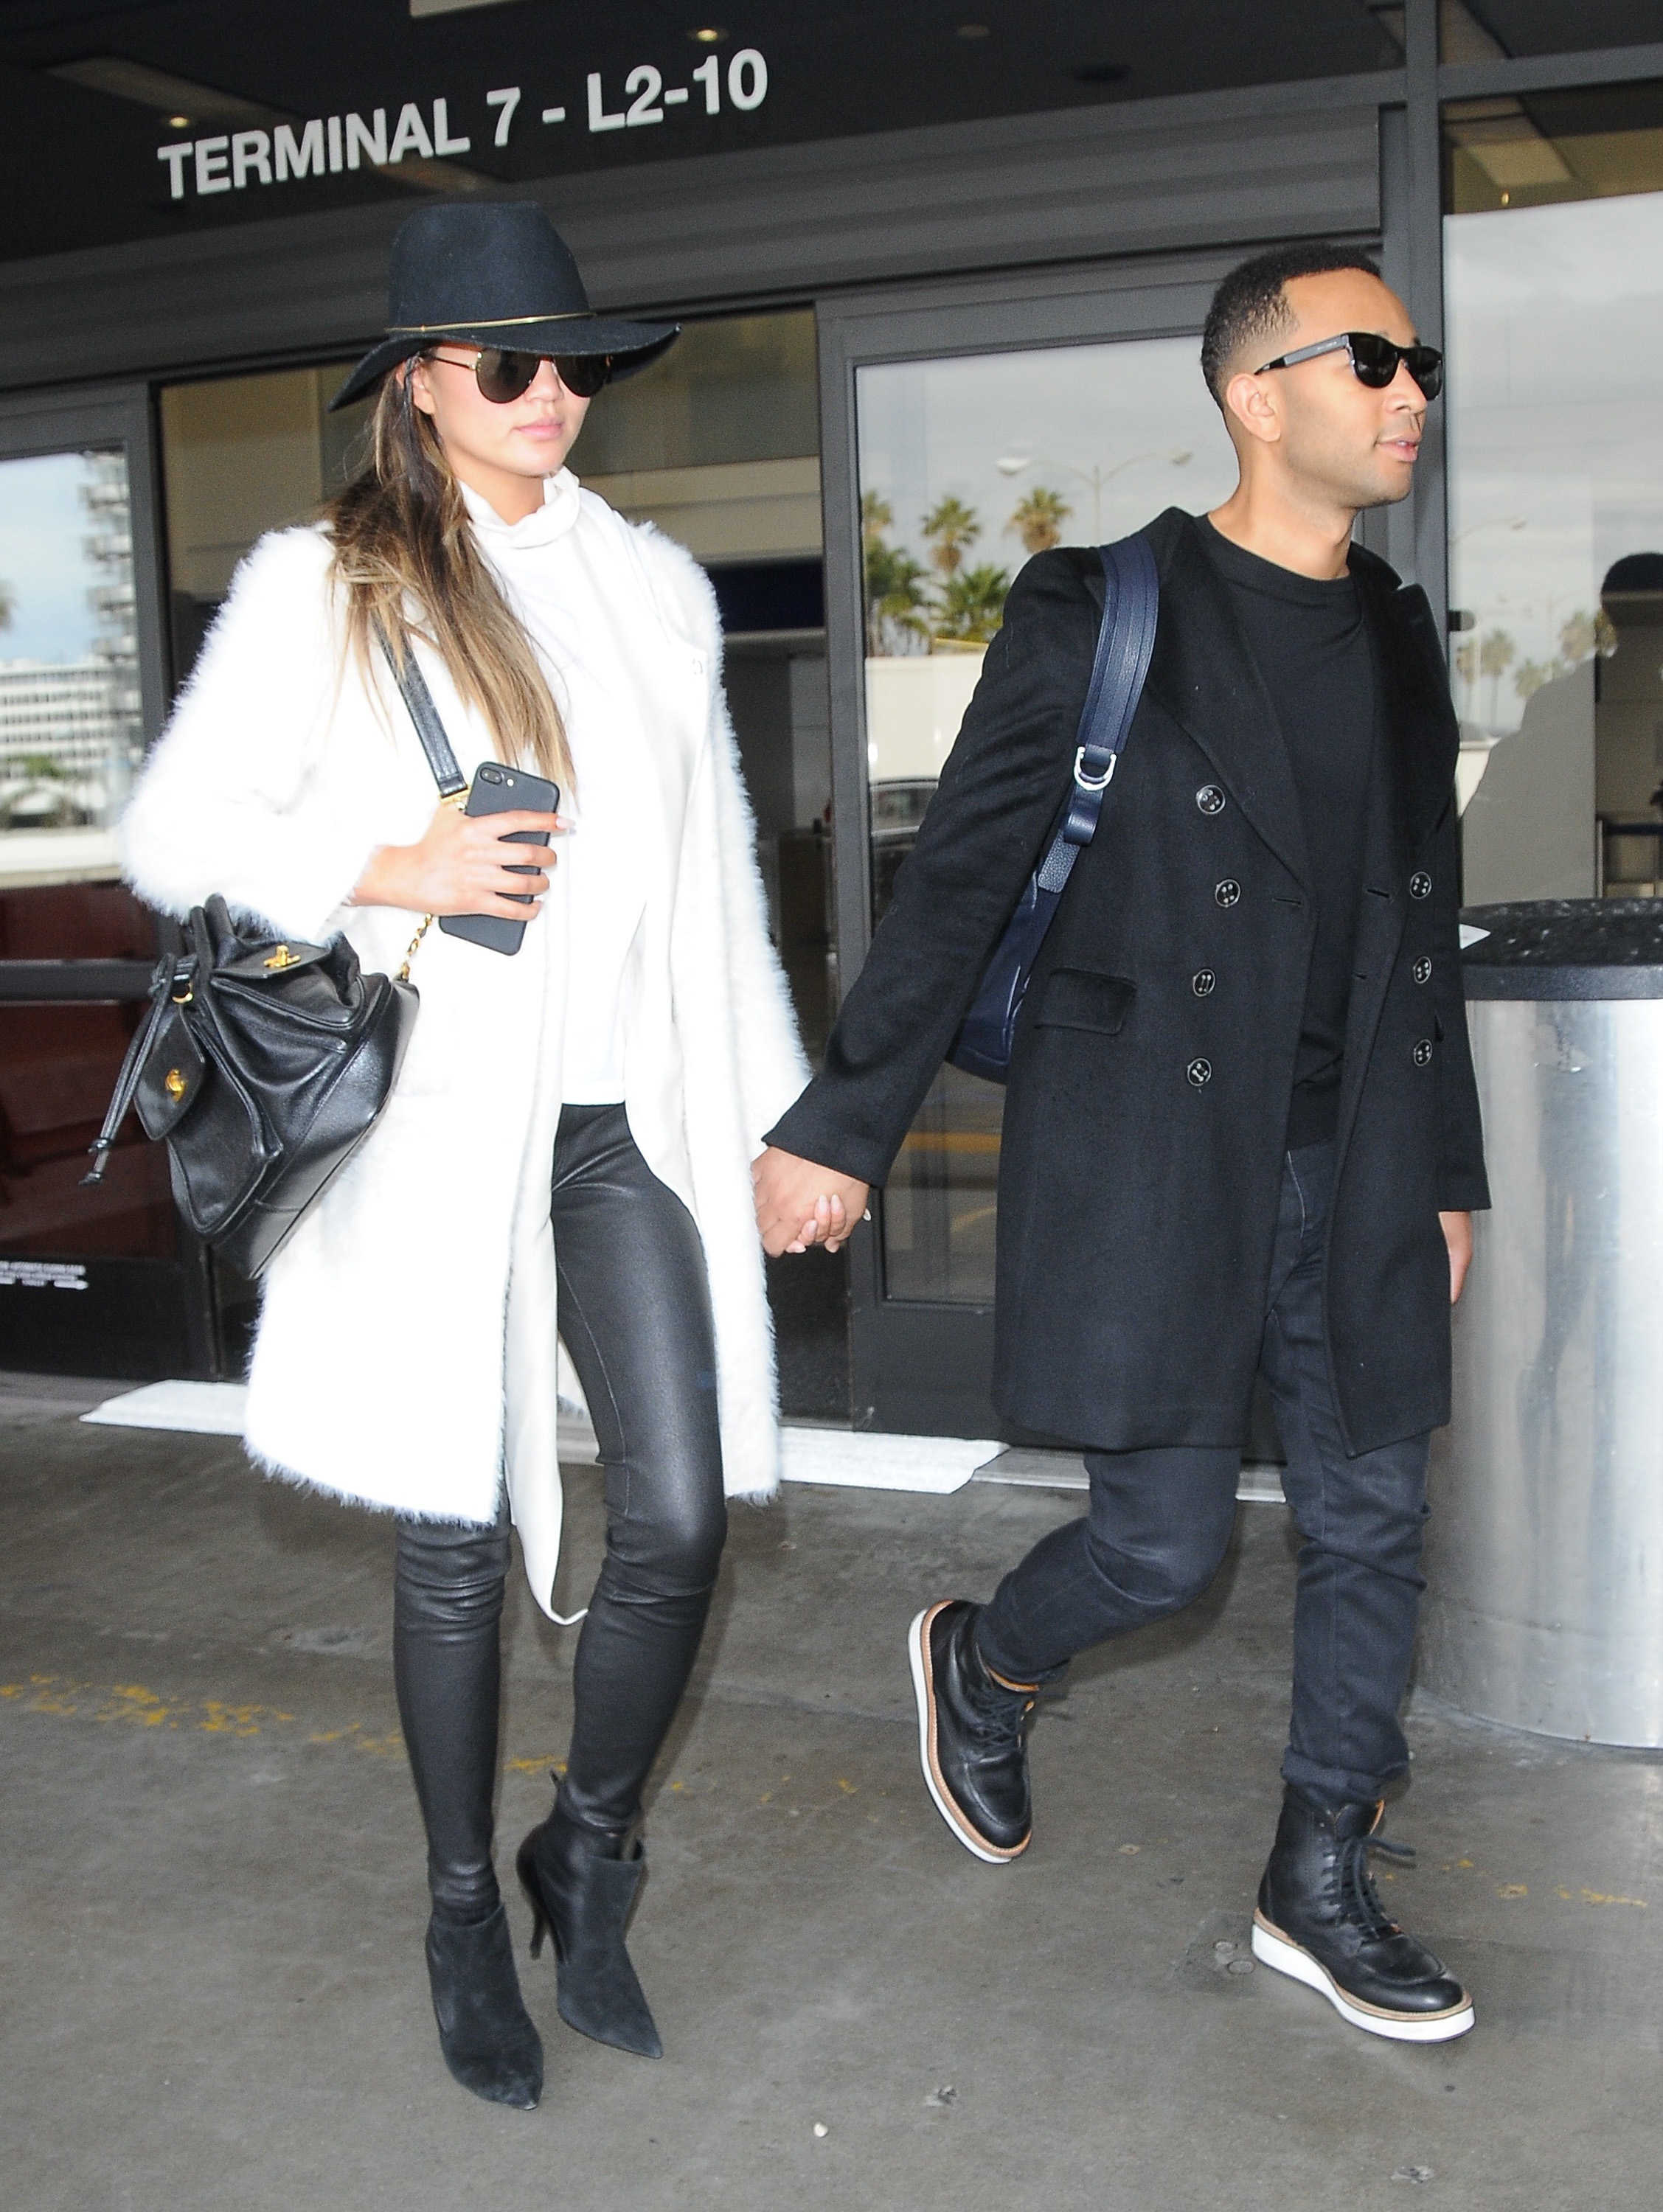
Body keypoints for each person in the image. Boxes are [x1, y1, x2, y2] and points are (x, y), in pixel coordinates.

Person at [754, 243, 1488, 2045]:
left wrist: (1451, 1160)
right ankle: (985, 1662)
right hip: (1162, 1148)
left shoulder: (1395, 628)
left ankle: (1317, 1871)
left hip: (1360, 1151)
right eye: (1373, 358)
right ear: (1257, 392)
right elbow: (961, 885)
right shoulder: (1104, 607)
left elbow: (1420, 907)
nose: (1413, 392)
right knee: (1167, 1552)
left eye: (1425, 364)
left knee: (1375, 1514)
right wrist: (841, 1126)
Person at [121, 201, 807, 2110]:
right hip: (432, 1137)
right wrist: (381, 864)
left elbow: (720, 887)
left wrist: (775, 1124)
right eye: (508, 364)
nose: (550, 396)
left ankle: (584, 1851)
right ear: (418, 385)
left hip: (618, 1125)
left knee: (674, 1515)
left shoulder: (655, 592)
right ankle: (452, 1913)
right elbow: (179, 829)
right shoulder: (324, 583)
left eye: (571, 361)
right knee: (448, 1541)